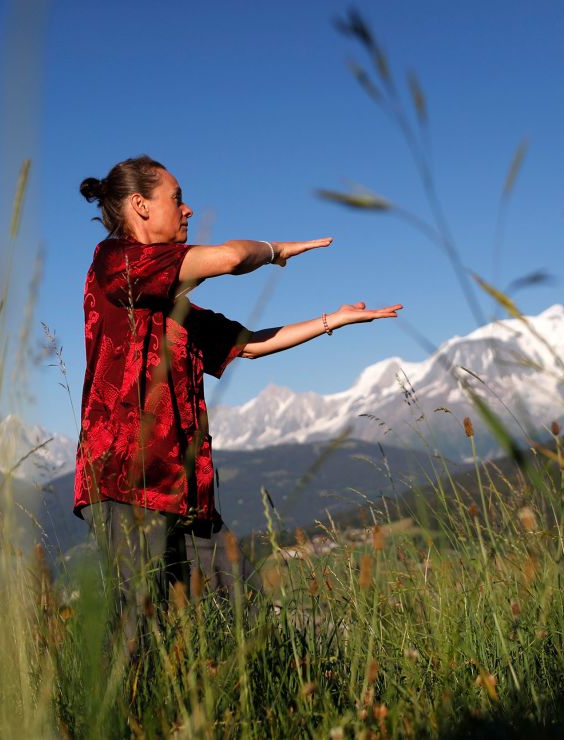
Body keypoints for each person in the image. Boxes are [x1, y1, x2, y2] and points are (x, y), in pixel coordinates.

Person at [75, 155, 401, 656]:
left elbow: (249, 344)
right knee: (136, 631)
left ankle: (339, 671)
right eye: (176, 198)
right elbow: (228, 259)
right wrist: (275, 251)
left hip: (185, 489)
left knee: (248, 604)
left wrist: (331, 320)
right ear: (140, 205)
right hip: (127, 483)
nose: (188, 210)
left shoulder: (173, 303)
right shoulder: (115, 264)